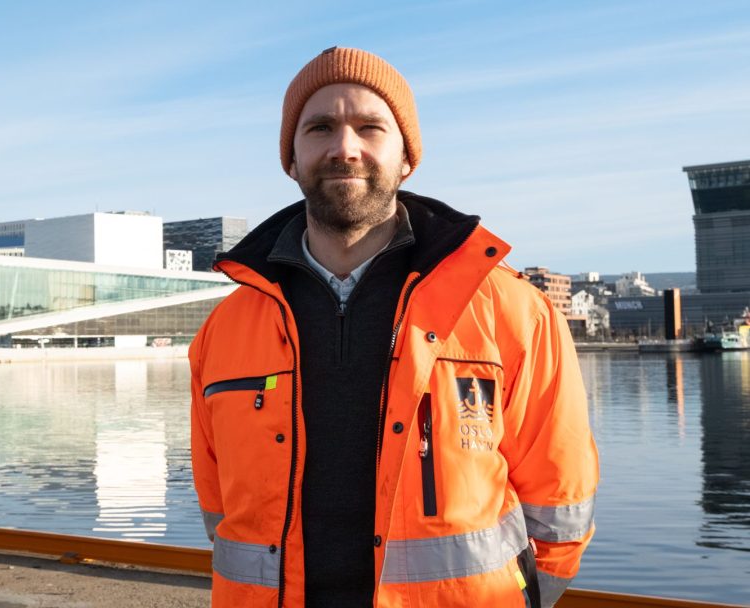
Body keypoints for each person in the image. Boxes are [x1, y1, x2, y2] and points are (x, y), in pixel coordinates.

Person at [188, 47, 598, 608]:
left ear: (407, 157)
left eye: (370, 127)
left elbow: (560, 499)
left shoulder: (512, 311)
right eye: (320, 128)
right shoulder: (225, 329)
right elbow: (219, 510)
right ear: (291, 158)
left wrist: (532, 598)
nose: (344, 148)